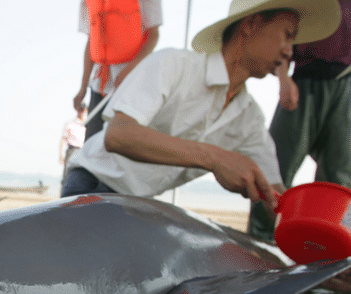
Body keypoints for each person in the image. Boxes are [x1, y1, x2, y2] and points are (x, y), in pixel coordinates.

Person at [61, 0, 342, 216]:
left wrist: (323, 251)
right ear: (251, 24)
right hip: (91, 187)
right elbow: (118, 136)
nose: (289, 51)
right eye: (286, 35)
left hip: (138, 205)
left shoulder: (249, 119)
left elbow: (275, 197)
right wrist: (214, 158)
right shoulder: (174, 64)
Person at [248, 0, 351, 242]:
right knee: (277, 165)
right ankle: (260, 240)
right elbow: (287, 31)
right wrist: (284, 79)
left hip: (345, 84)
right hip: (305, 79)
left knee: (340, 175)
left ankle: (328, 246)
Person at [73, 0, 163, 141]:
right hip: (99, 88)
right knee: (92, 141)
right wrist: (83, 88)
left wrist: (128, 70)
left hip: (133, 84)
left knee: (126, 142)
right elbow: (92, 40)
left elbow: (154, 35)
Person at [59, 106, 87, 183]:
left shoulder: (88, 123)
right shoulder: (70, 123)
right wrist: (61, 155)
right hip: (72, 150)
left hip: (83, 151)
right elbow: (63, 139)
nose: (81, 112)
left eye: (83, 110)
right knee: (66, 176)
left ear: (86, 110)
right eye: (80, 109)